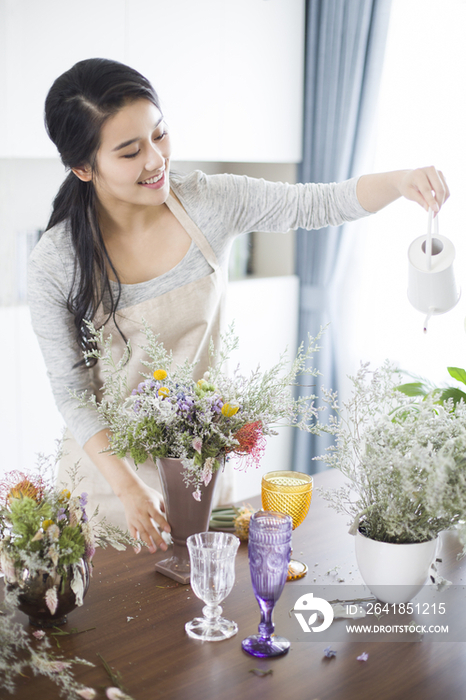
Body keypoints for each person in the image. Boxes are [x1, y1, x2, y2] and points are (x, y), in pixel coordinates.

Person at [28, 58, 449, 555]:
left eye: (159, 135)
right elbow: (73, 393)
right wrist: (125, 486)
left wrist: (400, 181)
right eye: (129, 151)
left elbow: (315, 203)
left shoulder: (207, 202)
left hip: (197, 465)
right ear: (83, 167)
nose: (155, 160)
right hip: (106, 479)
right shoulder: (56, 262)